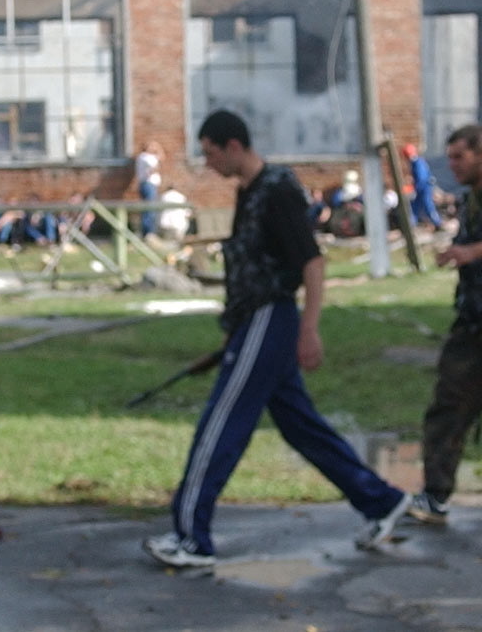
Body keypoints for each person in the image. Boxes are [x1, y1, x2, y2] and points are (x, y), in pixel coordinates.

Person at [142, 110, 411, 568]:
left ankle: (191, 538)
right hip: (253, 323)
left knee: (223, 421)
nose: (208, 164)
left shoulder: (277, 190)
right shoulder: (248, 192)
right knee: (300, 426)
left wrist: (308, 331)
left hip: (272, 318)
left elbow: (313, 264)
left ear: (233, 146)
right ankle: (380, 501)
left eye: (210, 153)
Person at [408, 124, 482, 525]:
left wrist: (472, 251)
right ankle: (434, 495)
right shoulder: (470, 200)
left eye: (459, 157)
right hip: (473, 322)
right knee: (448, 407)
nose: (451, 165)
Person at [402, 143, 443, 231]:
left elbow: (422, 178)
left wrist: (414, 188)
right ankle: (410, 225)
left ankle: (438, 223)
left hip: (424, 188)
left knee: (428, 206)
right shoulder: (416, 162)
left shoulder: (417, 163)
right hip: (421, 188)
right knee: (415, 207)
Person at [135, 140, 164, 237]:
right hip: (148, 185)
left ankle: (148, 232)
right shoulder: (145, 157)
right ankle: (148, 233)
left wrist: (158, 149)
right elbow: (155, 167)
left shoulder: (146, 157)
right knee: (150, 209)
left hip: (148, 185)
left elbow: (161, 158)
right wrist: (158, 149)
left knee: (149, 208)